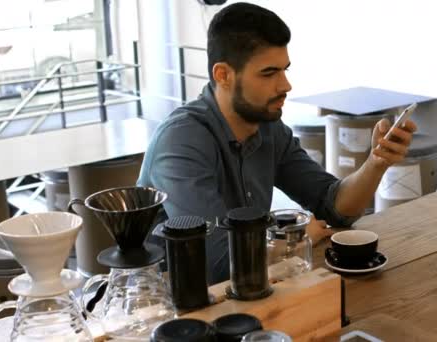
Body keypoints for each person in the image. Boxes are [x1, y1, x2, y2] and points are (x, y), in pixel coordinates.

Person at [137, 2, 417, 284]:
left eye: (285, 70)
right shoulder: (181, 141)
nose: (285, 85)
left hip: (247, 293)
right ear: (223, 75)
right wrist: (296, 238)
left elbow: (333, 208)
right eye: (269, 73)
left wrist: (376, 163)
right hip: (166, 308)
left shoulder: (269, 129)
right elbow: (216, 264)